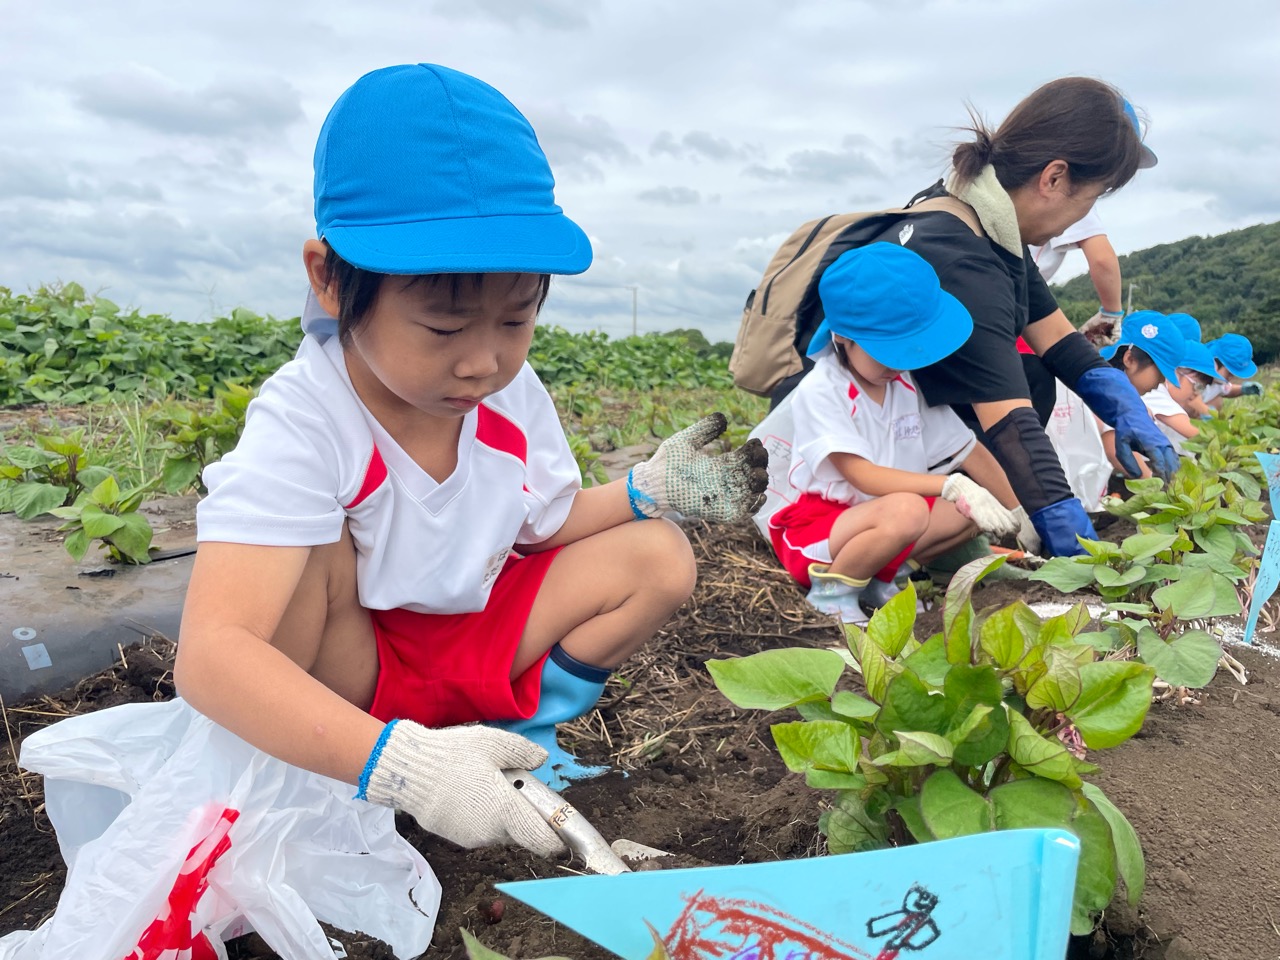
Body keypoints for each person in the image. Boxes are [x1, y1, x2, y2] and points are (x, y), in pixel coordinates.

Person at [173, 64, 768, 859]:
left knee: (658, 554)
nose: (483, 362)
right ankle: (349, 764)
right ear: (330, 279)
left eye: (516, 321)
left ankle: (517, 747)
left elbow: (543, 526)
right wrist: (403, 767)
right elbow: (213, 652)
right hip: (357, 670)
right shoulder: (306, 417)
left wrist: (646, 489)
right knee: (301, 544)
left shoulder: (510, 396)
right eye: (445, 328)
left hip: (473, 639)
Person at [796, 77, 1175, 557]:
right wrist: (1072, 541)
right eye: (1091, 199)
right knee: (1028, 391)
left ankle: (996, 528)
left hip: (908, 433)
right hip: (854, 466)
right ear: (1054, 178)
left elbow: (1058, 339)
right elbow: (1011, 424)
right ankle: (957, 547)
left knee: (1036, 374)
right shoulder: (964, 260)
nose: (1083, 217)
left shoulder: (983, 220)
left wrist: (1123, 405)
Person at [768, 243, 1020, 623]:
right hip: (822, 527)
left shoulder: (903, 385)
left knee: (970, 513)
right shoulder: (823, 390)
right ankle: (832, 593)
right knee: (910, 508)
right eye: (887, 351)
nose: (899, 363)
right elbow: (862, 475)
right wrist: (948, 484)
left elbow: (969, 450)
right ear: (843, 337)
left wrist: (1017, 511)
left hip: (884, 520)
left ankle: (881, 579)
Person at [1204, 333, 1262, 408]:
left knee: (1217, 400)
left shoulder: (1216, 381)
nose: (1231, 377)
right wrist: (1203, 411)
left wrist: (1243, 389)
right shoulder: (1194, 377)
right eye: (1229, 373)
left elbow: (1225, 389)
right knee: (1216, 401)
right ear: (1214, 363)